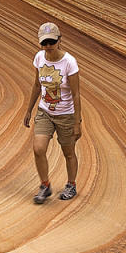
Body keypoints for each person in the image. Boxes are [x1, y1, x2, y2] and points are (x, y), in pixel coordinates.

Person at [23, 22, 82, 204]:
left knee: (68, 152)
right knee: (38, 149)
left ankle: (71, 185)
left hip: (66, 115)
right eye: (44, 42)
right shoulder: (40, 58)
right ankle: (45, 185)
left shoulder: (69, 62)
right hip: (45, 111)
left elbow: (76, 93)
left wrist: (77, 122)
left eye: (51, 42)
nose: (48, 46)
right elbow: (36, 85)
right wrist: (29, 109)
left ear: (59, 40)